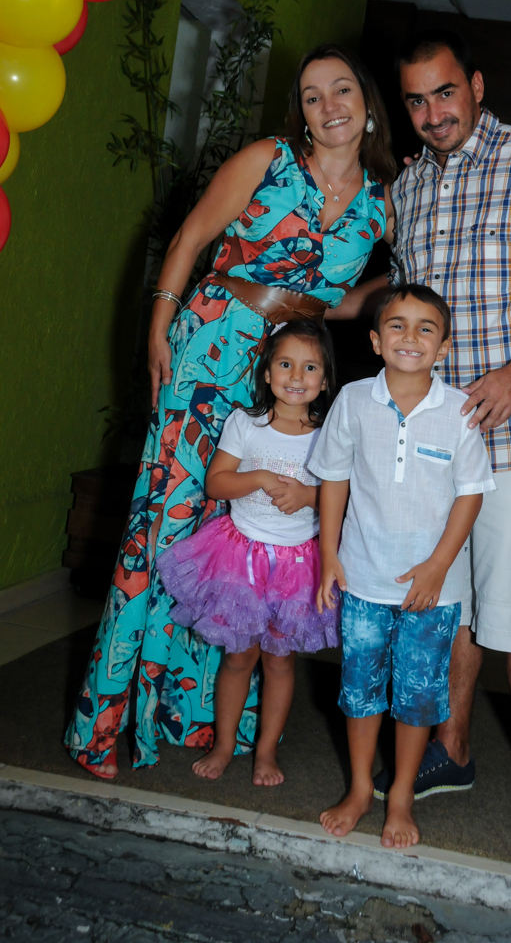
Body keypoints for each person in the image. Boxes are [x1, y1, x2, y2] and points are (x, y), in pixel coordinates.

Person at [66, 44, 396, 780]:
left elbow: (328, 299)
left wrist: (381, 303)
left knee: (241, 541)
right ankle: (104, 721)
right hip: (211, 347)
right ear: (300, 114)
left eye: (341, 89)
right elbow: (188, 241)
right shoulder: (267, 159)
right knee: (167, 525)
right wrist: (158, 326)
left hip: (285, 372)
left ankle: (194, 713)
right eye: (311, 96)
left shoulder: (383, 200)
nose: (328, 106)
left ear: (367, 103)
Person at [336, 29, 511, 865]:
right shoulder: (409, 187)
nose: (431, 113)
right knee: (442, 604)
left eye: (444, 93)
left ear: (476, 86)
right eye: (415, 100)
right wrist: (325, 303)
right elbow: (406, 293)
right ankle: (451, 749)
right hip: (438, 448)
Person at [312, 285, 495, 849]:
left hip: (431, 590)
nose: (410, 337)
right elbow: (334, 478)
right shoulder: (353, 401)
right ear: (374, 339)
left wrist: (440, 565)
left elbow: (471, 495)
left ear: (443, 346)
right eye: (397, 325)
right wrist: (328, 555)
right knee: (361, 690)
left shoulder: (459, 413)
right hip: (364, 579)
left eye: (425, 328)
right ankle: (362, 788)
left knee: (417, 697)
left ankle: (400, 797)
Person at [157, 321, 338, 786]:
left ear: (324, 380)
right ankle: (223, 743)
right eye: (285, 364)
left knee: (279, 661)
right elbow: (217, 482)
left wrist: (309, 496)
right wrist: (257, 478)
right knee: (239, 658)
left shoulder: (330, 434)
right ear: (267, 372)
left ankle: (266, 751)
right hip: (240, 559)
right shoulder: (246, 423)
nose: (296, 376)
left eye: (309, 366)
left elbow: (346, 496)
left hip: (298, 563)